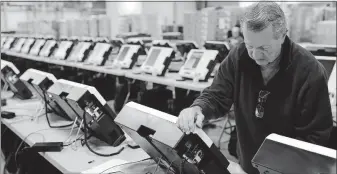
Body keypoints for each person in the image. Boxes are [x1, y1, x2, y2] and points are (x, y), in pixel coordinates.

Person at [177, 1, 333, 174]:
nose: (256, 56)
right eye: (250, 46)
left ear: (282, 36)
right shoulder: (238, 56)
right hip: (247, 163)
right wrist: (198, 108)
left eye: (264, 48)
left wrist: (277, 168)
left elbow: (314, 137)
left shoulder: (309, 72)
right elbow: (217, 95)